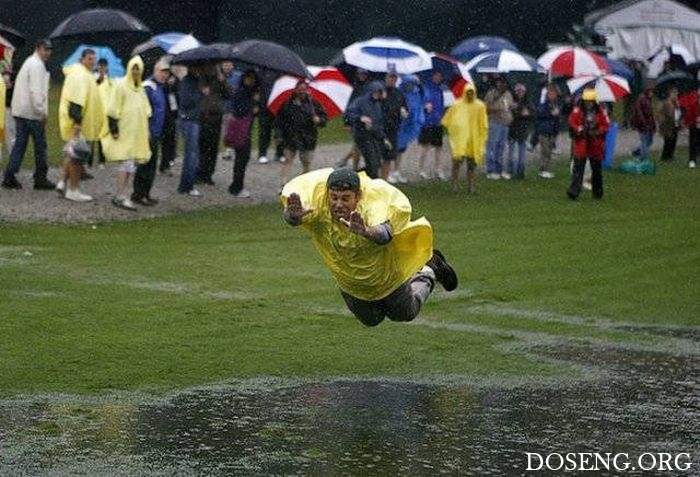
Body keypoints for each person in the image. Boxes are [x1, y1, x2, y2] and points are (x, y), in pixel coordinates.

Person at [281, 167, 458, 327]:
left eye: (345, 198)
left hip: (386, 277)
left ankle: (429, 270)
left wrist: (365, 230)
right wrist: (292, 216)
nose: (338, 204)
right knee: (371, 320)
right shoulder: (318, 204)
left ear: (358, 196)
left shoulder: (374, 203)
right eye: (334, 197)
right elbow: (295, 219)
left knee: (406, 313)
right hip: (350, 282)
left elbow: (385, 234)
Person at [2, 39, 55, 191]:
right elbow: (36, 91)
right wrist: (42, 112)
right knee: (40, 147)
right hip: (32, 113)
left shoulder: (29, 62)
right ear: (38, 48)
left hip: (20, 111)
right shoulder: (37, 66)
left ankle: (9, 176)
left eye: (49, 50)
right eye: (45, 49)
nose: (48, 53)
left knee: (19, 145)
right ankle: (40, 178)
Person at [101, 56, 152, 211]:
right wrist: (114, 129)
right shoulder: (121, 86)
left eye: (138, 69)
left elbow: (145, 110)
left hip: (136, 132)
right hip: (124, 132)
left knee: (131, 164)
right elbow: (112, 108)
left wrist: (146, 131)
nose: (136, 71)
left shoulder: (140, 88)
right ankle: (120, 195)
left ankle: (123, 194)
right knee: (125, 163)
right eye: (133, 68)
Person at [57, 48, 104, 202]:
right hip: (78, 124)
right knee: (77, 157)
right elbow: (76, 103)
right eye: (90, 59)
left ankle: (62, 182)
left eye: (94, 59)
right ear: (82, 59)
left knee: (72, 154)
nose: (92, 62)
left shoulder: (83, 73)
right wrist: (77, 124)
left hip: (79, 122)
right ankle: (74, 190)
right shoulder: (79, 75)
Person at [131, 57, 170, 206]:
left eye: (166, 72)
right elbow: (142, 110)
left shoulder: (160, 87)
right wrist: (146, 130)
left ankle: (146, 193)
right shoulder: (148, 87)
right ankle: (138, 194)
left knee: (152, 165)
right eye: (162, 72)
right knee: (144, 165)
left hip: (156, 132)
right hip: (147, 132)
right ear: (155, 71)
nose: (164, 75)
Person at [278, 79, 328, 187]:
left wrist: (319, 120)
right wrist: (279, 134)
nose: (302, 92)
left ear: (308, 90)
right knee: (288, 159)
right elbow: (280, 120)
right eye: (299, 90)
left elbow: (324, 118)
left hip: (308, 137)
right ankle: (284, 183)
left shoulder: (314, 104)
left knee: (306, 161)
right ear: (295, 90)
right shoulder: (287, 104)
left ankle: (304, 182)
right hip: (290, 136)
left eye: (304, 90)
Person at [441, 83, 488, 194]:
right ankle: (455, 185)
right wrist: (455, 129)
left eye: (472, 92)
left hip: (473, 139)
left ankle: (471, 186)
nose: (470, 95)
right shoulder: (457, 105)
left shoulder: (480, 106)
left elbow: (483, 122)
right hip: (461, 140)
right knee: (457, 162)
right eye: (468, 92)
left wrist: (483, 136)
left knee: (471, 165)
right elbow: (448, 120)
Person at [567, 88, 610, 200]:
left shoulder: (601, 111)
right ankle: (574, 192)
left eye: (590, 101)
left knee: (596, 172)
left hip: (596, 145)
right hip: (582, 143)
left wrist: (596, 131)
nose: (588, 103)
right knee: (578, 170)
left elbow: (606, 126)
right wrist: (579, 129)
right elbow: (572, 121)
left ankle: (597, 193)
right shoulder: (578, 110)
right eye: (587, 101)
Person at [196, 62, 232, 185]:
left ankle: (208, 174)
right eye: (210, 67)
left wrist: (223, 81)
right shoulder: (200, 80)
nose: (212, 69)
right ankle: (199, 172)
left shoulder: (219, 80)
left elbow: (229, 94)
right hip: (203, 117)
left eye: (214, 67)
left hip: (216, 116)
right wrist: (202, 91)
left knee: (213, 147)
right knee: (202, 146)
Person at [226, 69, 260, 198]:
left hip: (245, 129)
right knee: (241, 158)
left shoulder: (251, 93)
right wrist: (252, 105)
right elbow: (239, 111)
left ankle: (237, 185)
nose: (249, 81)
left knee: (243, 158)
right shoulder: (241, 92)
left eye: (252, 78)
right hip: (241, 130)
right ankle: (236, 186)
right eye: (247, 78)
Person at [345, 81, 388, 179]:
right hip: (362, 136)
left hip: (374, 136)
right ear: (370, 91)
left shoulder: (378, 105)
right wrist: (360, 118)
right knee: (372, 163)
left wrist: (383, 137)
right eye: (375, 92)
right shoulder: (360, 101)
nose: (377, 94)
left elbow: (378, 123)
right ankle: (367, 179)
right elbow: (349, 114)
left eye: (379, 92)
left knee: (376, 163)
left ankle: (355, 176)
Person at [177, 64, 204, 197]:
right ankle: (186, 185)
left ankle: (188, 184)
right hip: (189, 120)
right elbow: (186, 101)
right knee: (191, 154)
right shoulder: (187, 82)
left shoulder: (196, 82)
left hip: (194, 119)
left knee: (194, 153)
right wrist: (200, 93)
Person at [394, 74, 424, 184]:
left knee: (401, 149)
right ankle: (391, 171)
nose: (409, 86)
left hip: (408, 125)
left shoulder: (415, 93)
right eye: (408, 84)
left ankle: (396, 171)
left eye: (411, 84)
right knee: (393, 149)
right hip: (398, 125)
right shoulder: (398, 93)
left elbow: (420, 100)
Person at [417, 69, 446, 180]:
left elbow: (441, 105)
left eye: (440, 76)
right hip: (427, 123)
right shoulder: (425, 89)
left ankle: (438, 170)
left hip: (437, 122)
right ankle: (420, 169)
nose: (438, 78)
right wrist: (425, 106)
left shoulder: (440, 90)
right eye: (436, 76)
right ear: (432, 76)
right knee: (425, 146)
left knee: (439, 147)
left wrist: (441, 117)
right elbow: (421, 103)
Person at [484, 76, 514, 180]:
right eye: (499, 83)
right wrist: (495, 108)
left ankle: (499, 169)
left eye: (503, 83)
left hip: (505, 123)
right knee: (492, 146)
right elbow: (486, 107)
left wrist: (512, 107)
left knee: (501, 148)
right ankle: (490, 170)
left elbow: (510, 106)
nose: (501, 85)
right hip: (495, 122)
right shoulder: (491, 94)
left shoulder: (508, 94)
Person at [381, 71, 408, 181]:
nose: (392, 80)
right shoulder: (380, 92)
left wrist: (404, 112)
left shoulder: (399, 93)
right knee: (377, 156)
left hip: (393, 128)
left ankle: (384, 179)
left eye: (394, 78)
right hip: (381, 128)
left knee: (388, 155)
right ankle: (377, 178)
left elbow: (405, 108)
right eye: (390, 78)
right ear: (386, 79)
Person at [507, 83, 534, 179]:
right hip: (513, 129)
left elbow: (532, 114)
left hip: (523, 130)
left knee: (521, 154)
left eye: (521, 91)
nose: (520, 93)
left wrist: (526, 112)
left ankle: (520, 172)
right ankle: (511, 172)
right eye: (518, 91)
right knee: (511, 154)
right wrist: (520, 112)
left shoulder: (528, 102)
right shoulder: (512, 101)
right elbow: (511, 114)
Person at [534, 86, 561, 179]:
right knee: (544, 151)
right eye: (550, 94)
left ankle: (546, 168)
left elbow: (557, 119)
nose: (553, 95)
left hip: (552, 131)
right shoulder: (544, 104)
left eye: (554, 94)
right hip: (544, 130)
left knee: (549, 152)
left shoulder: (555, 105)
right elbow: (540, 114)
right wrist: (550, 114)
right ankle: (542, 169)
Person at [93, 57, 114, 169]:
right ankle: (89, 160)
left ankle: (102, 160)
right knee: (91, 137)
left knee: (103, 137)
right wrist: (100, 77)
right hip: (95, 110)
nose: (103, 68)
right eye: (101, 66)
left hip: (105, 111)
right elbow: (94, 85)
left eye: (104, 66)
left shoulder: (109, 79)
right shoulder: (94, 77)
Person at [220, 60, 241, 162]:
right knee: (225, 131)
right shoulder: (219, 77)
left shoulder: (238, 76)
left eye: (229, 65)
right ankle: (228, 150)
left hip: (235, 108)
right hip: (223, 108)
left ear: (232, 65)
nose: (227, 67)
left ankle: (232, 150)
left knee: (235, 131)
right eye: (225, 65)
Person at [629, 87, 656, 162]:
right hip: (642, 125)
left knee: (649, 141)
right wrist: (643, 123)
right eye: (651, 92)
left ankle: (636, 152)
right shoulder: (641, 100)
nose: (652, 94)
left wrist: (653, 125)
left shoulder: (649, 101)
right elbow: (639, 113)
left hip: (648, 125)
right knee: (644, 141)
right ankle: (644, 158)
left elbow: (651, 115)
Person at [658, 87, 681, 163]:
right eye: (674, 94)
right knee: (668, 142)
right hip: (668, 126)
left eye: (676, 94)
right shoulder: (667, 103)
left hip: (675, 125)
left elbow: (678, 113)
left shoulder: (676, 103)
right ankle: (665, 157)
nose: (676, 95)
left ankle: (670, 156)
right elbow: (665, 115)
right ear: (670, 94)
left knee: (673, 141)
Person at [679, 88, 699, 169]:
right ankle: (692, 160)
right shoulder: (693, 97)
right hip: (694, 124)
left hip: (695, 122)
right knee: (693, 142)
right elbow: (689, 111)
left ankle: (693, 159)